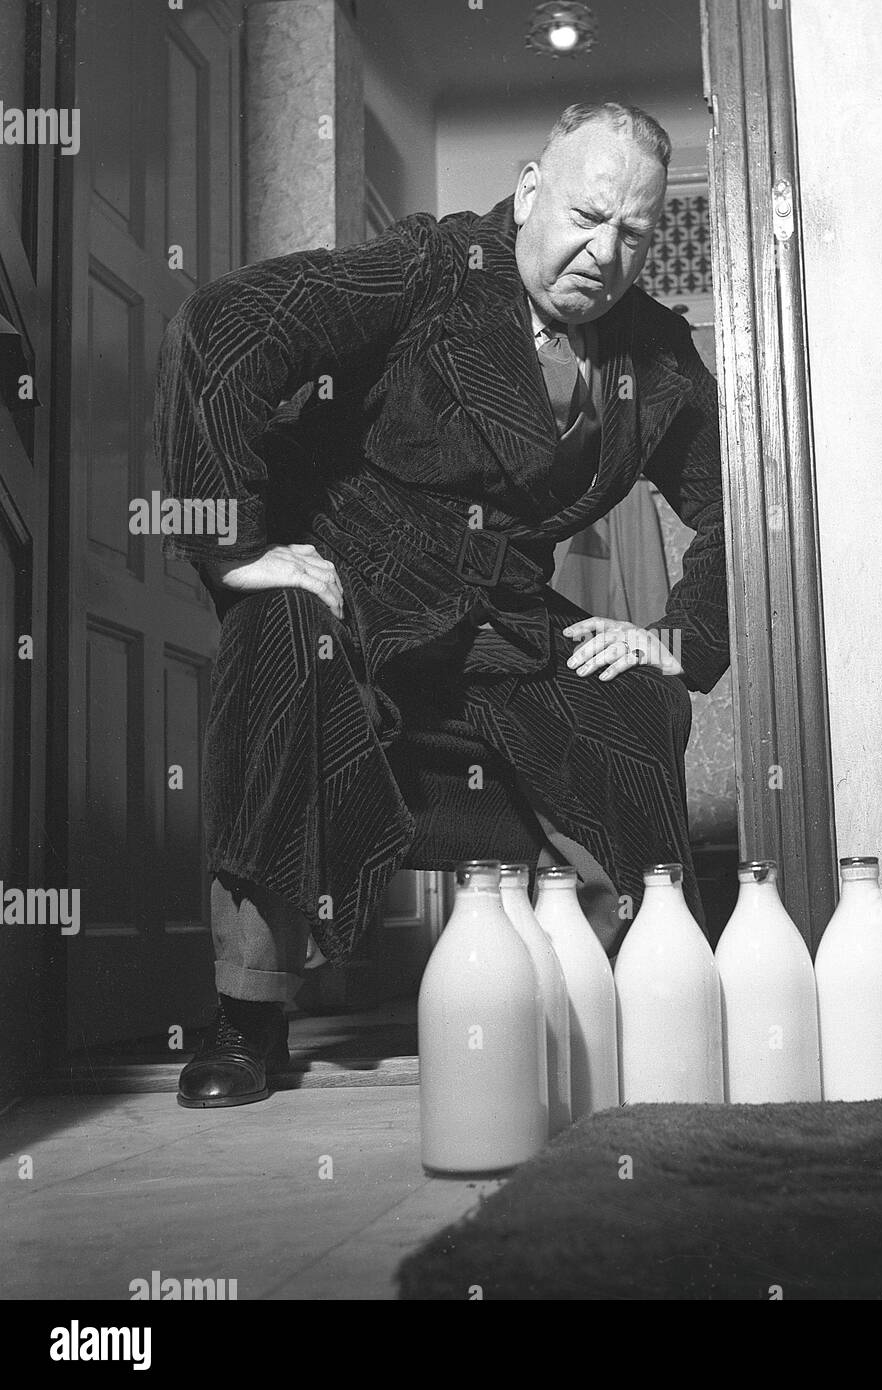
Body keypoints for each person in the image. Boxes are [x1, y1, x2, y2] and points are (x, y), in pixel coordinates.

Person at [154, 101, 728, 1108]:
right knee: (279, 630)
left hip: (495, 621)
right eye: (588, 216)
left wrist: (679, 637)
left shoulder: (658, 359)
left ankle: (597, 979)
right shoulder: (434, 269)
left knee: (631, 696)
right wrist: (237, 548)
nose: (606, 252)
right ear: (529, 189)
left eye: (634, 234)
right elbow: (229, 322)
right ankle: (248, 1014)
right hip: (356, 582)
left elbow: (739, 500)